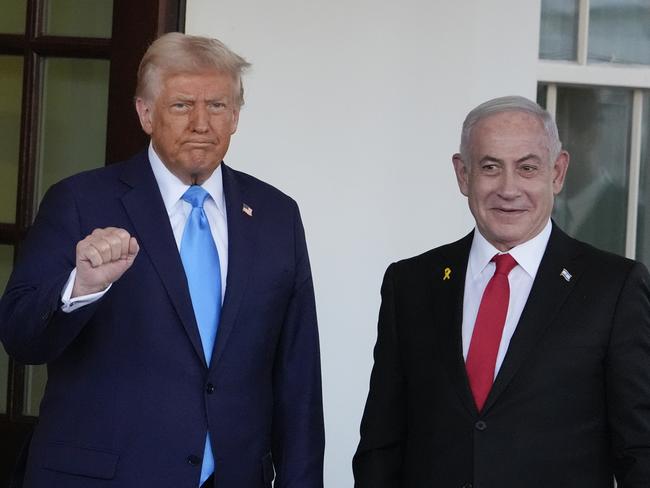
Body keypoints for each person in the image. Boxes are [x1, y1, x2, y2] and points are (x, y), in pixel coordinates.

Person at [0, 33, 324, 488]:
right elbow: (20, 335)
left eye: (217, 106)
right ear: (145, 113)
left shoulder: (276, 215)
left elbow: (298, 378)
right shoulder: (80, 201)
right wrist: (82, 286)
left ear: (235, 117)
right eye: (181, 105)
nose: (200, 123)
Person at [353, 95, 650, 487]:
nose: (508, 189)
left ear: (558, 173)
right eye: (490, 167)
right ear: (463, 174)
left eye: (527, 168)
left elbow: (639, 451)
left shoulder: (614, 288)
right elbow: (381, 444)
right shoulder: (410, 284)